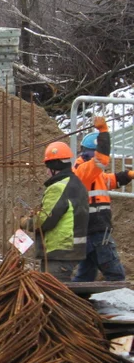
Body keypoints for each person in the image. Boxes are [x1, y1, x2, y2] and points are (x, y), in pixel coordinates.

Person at [73, 118, 133, 282]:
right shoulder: (85, 170)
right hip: (96, 230)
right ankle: (117, 306)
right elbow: (102, 160)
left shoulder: (87, 172)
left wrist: (127, 176)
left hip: (91, 230)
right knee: (115, 275)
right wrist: (104, 132)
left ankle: (76, 301)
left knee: (85, 276)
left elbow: (107, 180)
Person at [26, 140, 90, 281]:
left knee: (53, 295)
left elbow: (45, 220)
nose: (47, 171)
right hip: (72, 250)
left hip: (59, 251)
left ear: (54, 166)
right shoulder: (77, 184)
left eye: (48, 166)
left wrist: (28, 222)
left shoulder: (58, 187)